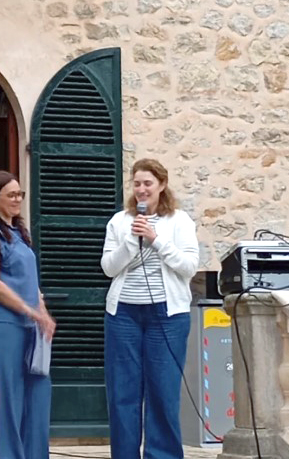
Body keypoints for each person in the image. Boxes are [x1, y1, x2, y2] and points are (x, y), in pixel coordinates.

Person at [100, 158, 199, 459]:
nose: (142, 189)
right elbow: (108, 268)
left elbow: (189, 267)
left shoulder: (180, 221)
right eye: (137, 184)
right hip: (123, 315)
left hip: (167, 316)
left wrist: (157, 241)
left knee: (163, 391)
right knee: (123, 392)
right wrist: (132, 240)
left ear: (162, 185)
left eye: (148, 183)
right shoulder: (119, 222)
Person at [0, 170, 56, 459]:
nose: (18, 199)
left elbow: (32, 284)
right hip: (3, 326)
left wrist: (42, 313)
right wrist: (29, 311)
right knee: (8, 399)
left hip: (30, 328)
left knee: (36, 396)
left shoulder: (20, 234)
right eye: (12, 195)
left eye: (20, 194)